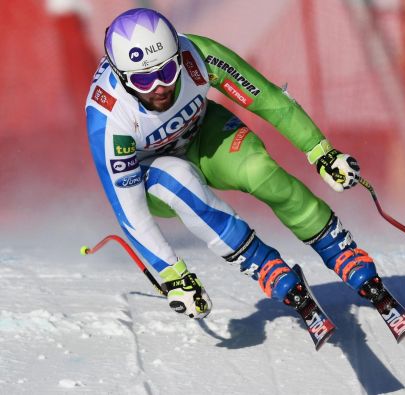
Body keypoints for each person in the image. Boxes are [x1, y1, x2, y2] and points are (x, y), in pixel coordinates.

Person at [86, 8, 385, 320]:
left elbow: (268, 100)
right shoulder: (108, 121)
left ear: (178, 56)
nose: (159, 87)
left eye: (167, 72)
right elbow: (130, 212)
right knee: (177, 178)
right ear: (122, 77)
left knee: (260, 171)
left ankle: (337, 249)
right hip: (153, 175)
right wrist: (174, 275)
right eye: (144, 80)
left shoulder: (197, 56)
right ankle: (262, 263)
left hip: (200, 134)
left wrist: (321, 152)